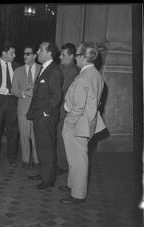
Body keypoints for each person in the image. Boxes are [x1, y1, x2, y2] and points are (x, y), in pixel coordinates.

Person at [60, 42, 106, 204]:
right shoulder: (96, 75)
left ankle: (78, 195)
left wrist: (69, 123)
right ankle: (72, 185)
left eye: (77, 56)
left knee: (78, 160)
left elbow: (78, 107)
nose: (76, 59)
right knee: (75, 158)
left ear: (83, 58)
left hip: (78, 124)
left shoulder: (83, 77)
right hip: (88, 122)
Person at [26, 41, 63, 190]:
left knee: (47, 148)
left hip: (45, 117)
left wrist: (45, 113)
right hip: (39, 115)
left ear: (49, 53)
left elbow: (56, 96)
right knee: (41, 147)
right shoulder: (44, 68)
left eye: (41, 49)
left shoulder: (54, 70)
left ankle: (48, 180)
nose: (38, 52)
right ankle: (43, 173)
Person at [11, 45, 41, 168]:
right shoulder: (18, 71)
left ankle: (37, 160)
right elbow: (13, 89)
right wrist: (23, 93)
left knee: (36, 136)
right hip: (23, 108)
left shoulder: (42, 69)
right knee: (24, 136)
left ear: (34, 56)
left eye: (28, 53)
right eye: (24, 53)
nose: (25, 56)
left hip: (38, 108)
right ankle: (25, 160)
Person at [0, 41, 19, 167]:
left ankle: (12, 157)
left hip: (12, 101)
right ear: (4, 53)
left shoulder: (16, 66)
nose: (15, 55)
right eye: (12, 53)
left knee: (13, 130)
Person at [56, 42, 79, 175]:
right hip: (58, 107)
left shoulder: (73, 71)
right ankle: (60, 162)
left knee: (62, 137)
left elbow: (61, 88)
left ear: (71, 56)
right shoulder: (61, 67)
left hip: (64, 109)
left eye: (63, 55)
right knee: (58, 136)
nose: (60, 57)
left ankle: (63, 165)